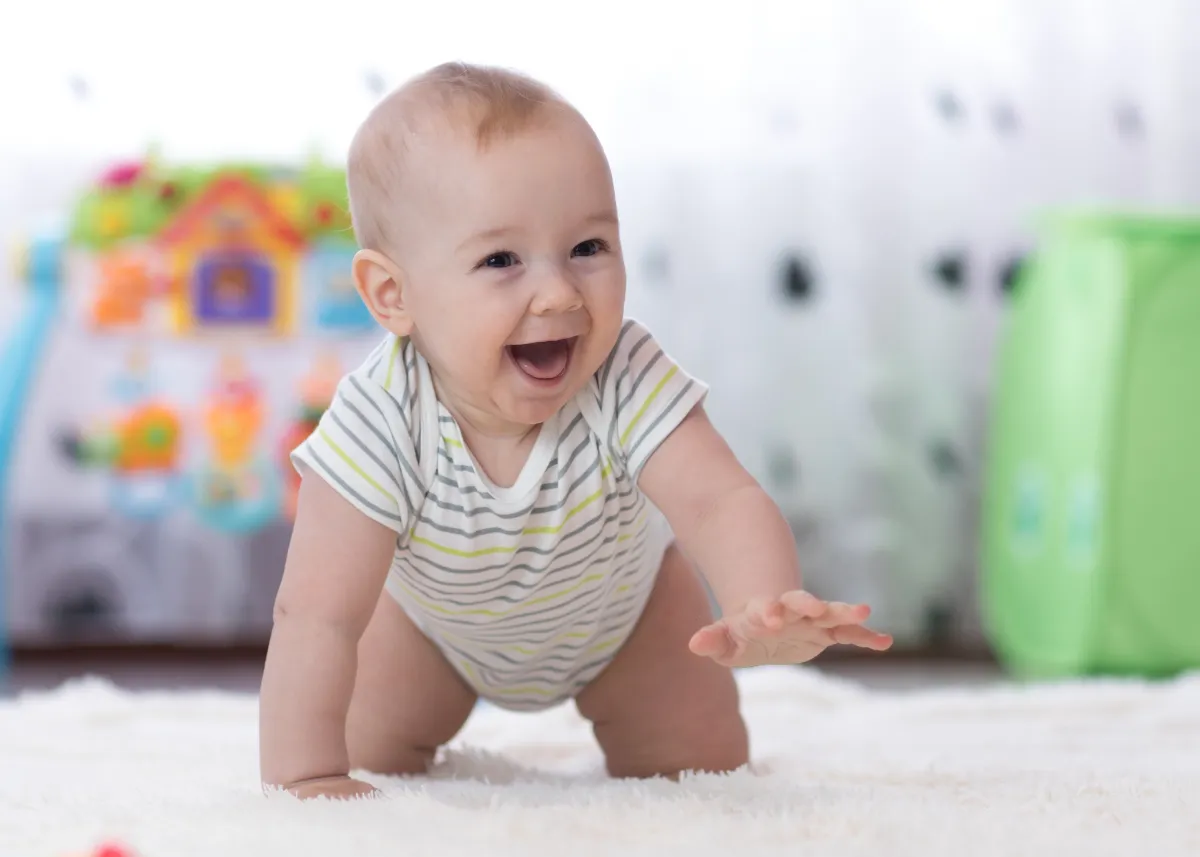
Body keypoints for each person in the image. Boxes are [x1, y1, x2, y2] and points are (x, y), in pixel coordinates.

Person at [259, 61, 892, 800]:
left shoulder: (624, 373)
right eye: (500, 260)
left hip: (630, 623)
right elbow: (316, 615)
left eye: (588, 247)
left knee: (704, 775)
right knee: (365, 750)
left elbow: (718, 500)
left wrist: (764, 599)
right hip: (432, 636)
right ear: (393, 295)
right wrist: (305, 776)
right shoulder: (381, 418)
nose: (559, 292)